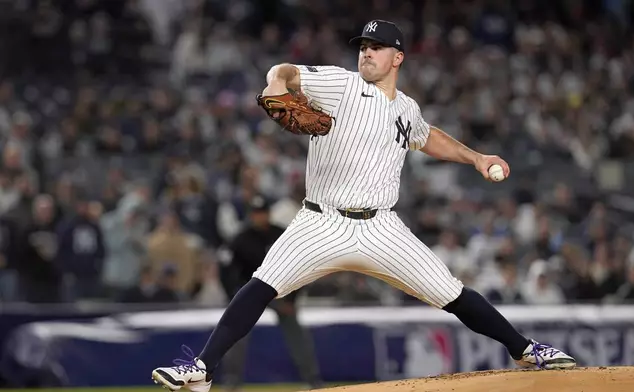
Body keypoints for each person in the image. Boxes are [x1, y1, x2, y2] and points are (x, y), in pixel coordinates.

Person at [152, 20, 575, 392]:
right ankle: (202, 369)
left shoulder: (407, 107)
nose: (366, 52)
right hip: (321, 222)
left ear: (398, 58)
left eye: (376, 47)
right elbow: (284, 71)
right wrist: (278, 84)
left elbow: (427, 137)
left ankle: (523, 349)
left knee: (453, 294)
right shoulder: (341, 83)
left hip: (381, 229)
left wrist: (477, 158)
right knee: (260, 286)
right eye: (362, 46)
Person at [219, 195, 322, 391]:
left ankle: (313, 379)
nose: (260, 217)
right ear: (251, 215)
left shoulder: (281, 235)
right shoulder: (241, 239)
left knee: (296, 333)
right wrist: (234, 296)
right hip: (250, 294)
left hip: (280, 293)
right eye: (256, 214)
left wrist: (293, 298)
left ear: (268, 213)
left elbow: (300, 266)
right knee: (234, 333)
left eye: (263, 213)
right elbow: (226, 270)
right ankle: (232, 381)